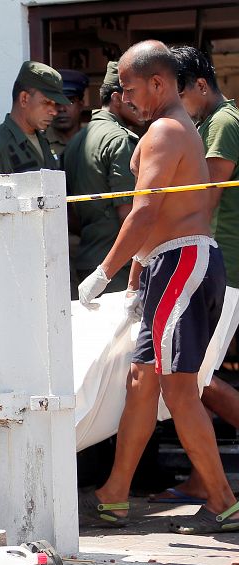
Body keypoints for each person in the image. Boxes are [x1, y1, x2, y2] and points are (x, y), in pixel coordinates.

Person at [77, 40, 238, 535]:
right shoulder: (168, 130)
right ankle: (115, 496)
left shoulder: (166, 130)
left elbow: (146, 210)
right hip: (172, 266)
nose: (125, 98)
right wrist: (134, 276)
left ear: (158, 83)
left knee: (179, 388)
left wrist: (104, 270)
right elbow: (153, 217)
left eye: (129, 88)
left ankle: (223, 501)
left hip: (181, 264)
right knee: (143, 381)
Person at [143, 46, 239, 505]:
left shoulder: (220, 122)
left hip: (211, 260)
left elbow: (207, 199)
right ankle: (207, 478)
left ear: (200, 85)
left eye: (182, 90)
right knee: (194, 378)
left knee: (194, 380)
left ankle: (213, 485)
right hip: (211, 260)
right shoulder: (210, 124)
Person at [65, 61, 142, 294]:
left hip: (87, 258)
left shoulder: (77, 140)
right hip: (115, 268)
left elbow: (70, 213)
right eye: (134, 95)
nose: (141, 104)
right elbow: (129, 215)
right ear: (118, 98)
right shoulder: (120, 140)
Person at [0, 60, 68, 173]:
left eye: (55, 104)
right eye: (46, 102)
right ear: (24, 99)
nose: (54, 112)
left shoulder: (42, 140)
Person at [46, 69, 89, 158]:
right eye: (56, 102)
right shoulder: (38, 143)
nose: (62, 108)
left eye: (69, 101)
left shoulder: (94, 140)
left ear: (81, 105)